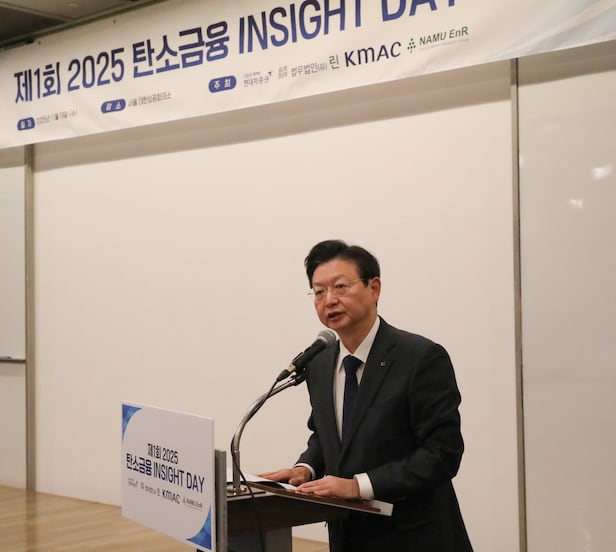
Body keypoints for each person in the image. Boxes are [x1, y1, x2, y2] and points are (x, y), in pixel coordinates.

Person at [261, 239, 473, 552]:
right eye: (318, 292)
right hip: (347, 536)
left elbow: (442, 454)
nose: (329, 300)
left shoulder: (420, 358)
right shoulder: (319, 362)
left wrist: (358, 486)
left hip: (414, 536)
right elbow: (326, 435)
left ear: (374, 289)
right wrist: (306, 468)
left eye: (340, 287)